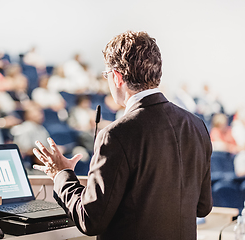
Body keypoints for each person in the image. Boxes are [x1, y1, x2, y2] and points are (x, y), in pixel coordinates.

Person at [32, 31, 212, 239]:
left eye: (106, 74)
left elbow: (90, 219)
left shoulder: (116, 135)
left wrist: (61, 174)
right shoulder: (197, 125)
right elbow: (203, 207)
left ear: (116, 77)